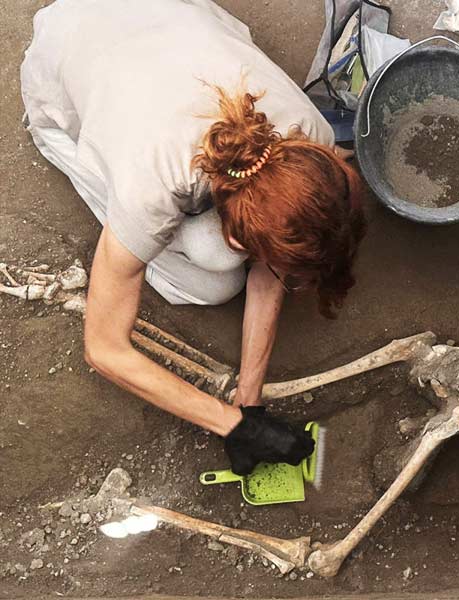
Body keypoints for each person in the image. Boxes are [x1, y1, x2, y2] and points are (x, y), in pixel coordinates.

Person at [20, 0, 366, 475]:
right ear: (246, 241)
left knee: (216, 258)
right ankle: (113, 208)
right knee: (214, 278)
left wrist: (251, 400)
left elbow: (273, 266)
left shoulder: (309, 137)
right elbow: (103, 349)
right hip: (65, 55)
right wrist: (232, 425)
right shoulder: (152, 182)